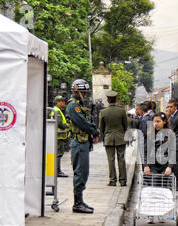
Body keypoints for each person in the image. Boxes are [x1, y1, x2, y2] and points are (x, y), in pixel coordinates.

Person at [66, 79, 100, 214]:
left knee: (84, 172)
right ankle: (77, 203)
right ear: (76, 91)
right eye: (83, 92)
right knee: (80, 172)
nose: (85, 95)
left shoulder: (78, 105)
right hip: (79, 142)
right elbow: (82, 123)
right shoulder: (73, 106)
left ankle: (80, 201)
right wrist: (95, 131)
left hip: (82, 142)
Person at [143, 112, 173, 224]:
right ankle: (151, 213)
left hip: (164, 166)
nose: (156, 124)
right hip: (152, 166)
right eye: (154, 121)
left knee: (164, 189)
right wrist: (146, 165)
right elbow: (145, 151)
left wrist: (170, 166)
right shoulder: (149, 135)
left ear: (164, 122)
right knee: (153, 188)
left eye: (158, 121)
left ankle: (161, 213)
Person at [99, 90, 128, 187]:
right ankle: (123, 181)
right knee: (121, 159)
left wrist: (104, 136)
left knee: (110, 160)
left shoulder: (103, 112)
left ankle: (112, 180)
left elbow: (101, 127)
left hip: (108, 138)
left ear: (107, 100)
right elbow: (125, 125)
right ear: (116, 99)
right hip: (120, 137)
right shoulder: (122, 110)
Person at [50, 95, 70, 177]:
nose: (64, 103)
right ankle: (57, 171)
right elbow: (59, 124)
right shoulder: (57, 111)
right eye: (62, 101)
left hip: (57, 135)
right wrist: (68, 125)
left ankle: (56, 171)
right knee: (59, 154)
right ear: (58, 102)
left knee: (58, 153)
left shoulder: (56, 110)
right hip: (58, 136)